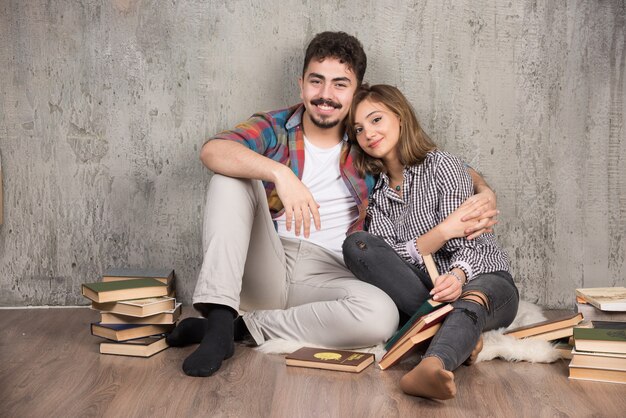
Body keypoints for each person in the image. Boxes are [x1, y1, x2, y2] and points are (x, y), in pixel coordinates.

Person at [167, 32, 497, 378]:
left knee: (381, 316)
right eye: (316, 81)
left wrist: (484, 188)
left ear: (356, 91)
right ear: (301, 85)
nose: (326, 95)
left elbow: (423, 159)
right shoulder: (275, 127)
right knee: (228, 178)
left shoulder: (367, 138)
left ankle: (239, 330)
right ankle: (219, 317)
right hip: (267, 260)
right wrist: (281, 174)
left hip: (332, 271)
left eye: (340, 84)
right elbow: (213, 151)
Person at [343, 84, 519, 400]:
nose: (368, 133)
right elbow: (392, 259)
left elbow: (474, 240)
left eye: (376, 119)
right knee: (358, 245)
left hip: (484, 278)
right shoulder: (379, 197)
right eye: (359, 129)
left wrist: (458, 275)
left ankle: (433, 364)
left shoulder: (443, 165)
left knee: (471, 299)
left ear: (399, 117)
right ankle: (461, 335)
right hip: (430, 292)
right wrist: (439, 234)